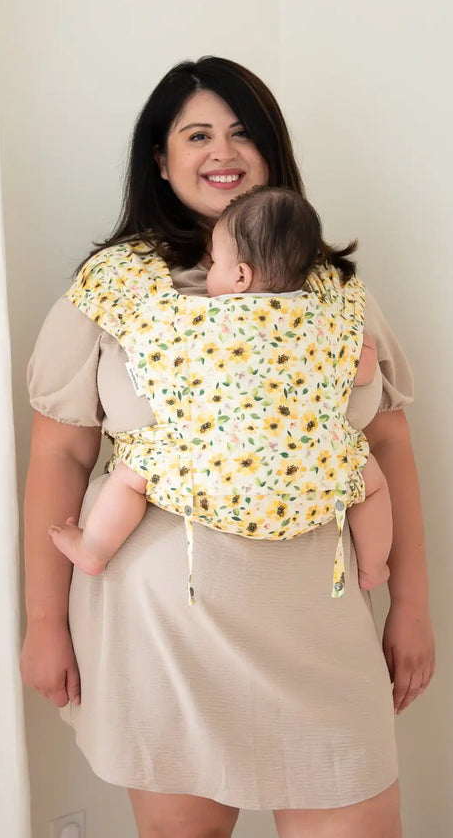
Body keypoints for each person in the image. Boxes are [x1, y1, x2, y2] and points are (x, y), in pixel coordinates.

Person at [21, 56, 435, 838]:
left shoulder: (332, 287)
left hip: (321, 616)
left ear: (271, 150)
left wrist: (410, 603)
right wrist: (44, 621)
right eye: (198, 133)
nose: (223, 151)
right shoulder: (110, 285)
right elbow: (60, 459)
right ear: (160, 155)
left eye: (243, 132)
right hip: (164, 624)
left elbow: (386, 446)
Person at [48, 186, 391, 593]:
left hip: (211, 478)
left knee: (131, 476)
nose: (209, 270)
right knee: (371, 482)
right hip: (310, 480)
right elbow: (364, 371)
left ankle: (93, 550)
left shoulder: (194, 322)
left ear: (240, 275)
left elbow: (152, 357)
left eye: (214, 261)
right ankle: (373, 567)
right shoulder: (329, 318)